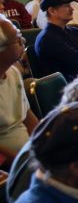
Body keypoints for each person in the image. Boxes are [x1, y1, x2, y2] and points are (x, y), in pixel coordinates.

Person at [0, 17, 38, 165]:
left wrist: (45, 142)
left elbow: (28, 117)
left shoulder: (13, 73)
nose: (23, 41)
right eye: (17, 39)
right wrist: (24, 163)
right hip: (11, 164)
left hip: (28, 152)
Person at [34, 0, 78, 81]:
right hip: (66, 85)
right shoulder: (47, 39)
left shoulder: (75, 32)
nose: (72, 9)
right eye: (66, 6)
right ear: (52, 11)